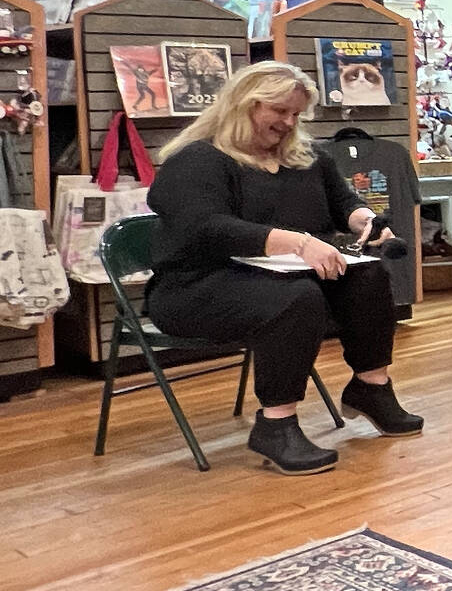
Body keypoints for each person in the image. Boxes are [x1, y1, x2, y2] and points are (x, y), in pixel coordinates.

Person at [145, 60, 416, 475]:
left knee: (368, 275)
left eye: (296, 114)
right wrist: (295, 242)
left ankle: (371, 387)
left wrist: (362, 218)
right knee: (294, 299)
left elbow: (342, 202)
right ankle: (276, 424)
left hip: (279, 277)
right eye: (280, 112)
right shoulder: (198, 160)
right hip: (195, 286)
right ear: (245, 105)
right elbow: (203, 227)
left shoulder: (307, 158)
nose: (289, 123)